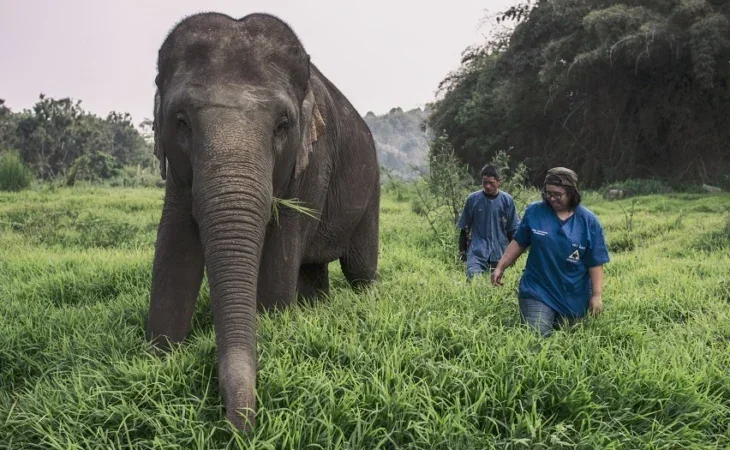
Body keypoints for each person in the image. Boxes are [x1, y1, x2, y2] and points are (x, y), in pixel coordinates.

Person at [491, 167, 610, 337]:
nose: (552, 198)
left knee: (568, 338)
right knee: (538, 336)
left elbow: (595, 262)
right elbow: (519, 242)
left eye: (557, 194)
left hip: (573, 293)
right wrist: (500, 267)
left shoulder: (589, 222)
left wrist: (597, 295)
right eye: (548, 193)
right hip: (538, 289)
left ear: (571, 193)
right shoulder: (534, 212)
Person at [457, 165, 520, 280]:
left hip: (499, 252)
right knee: (474, 279)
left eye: (491, 183)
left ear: (498, 182)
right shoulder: (473, 199)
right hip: (477, 252)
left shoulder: (507, 200)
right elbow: (464, 228)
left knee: (497, 284)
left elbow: (512, 230)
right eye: (484, 182)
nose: (487, 186)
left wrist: (513, 256)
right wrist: (462, 252)